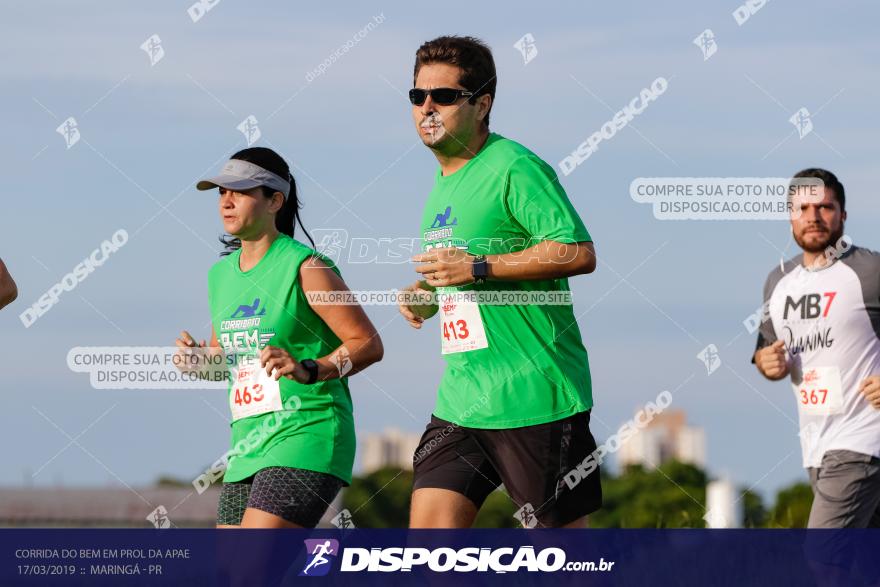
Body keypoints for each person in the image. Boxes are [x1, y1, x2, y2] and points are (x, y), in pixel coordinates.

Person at [398, 36, 602, 529]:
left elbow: (577, 252)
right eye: (417, 96)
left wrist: (478, 267)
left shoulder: (515, 167)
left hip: (534, 395)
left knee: (563, 561)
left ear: (481, 103)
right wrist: (427, 295)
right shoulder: (443, 185)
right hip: (463, 399)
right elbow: (461, 277)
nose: (427, 107)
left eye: (444, 96)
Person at [176, 147, 383, 529]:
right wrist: (199, 362)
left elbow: (367, 344)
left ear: (275, 200)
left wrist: (310, 368)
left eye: (239, 192)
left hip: (307, 433)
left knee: (252, 568)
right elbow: (224, 363)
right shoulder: (218, 277)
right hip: (248, 444)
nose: (226, 201)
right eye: (221, 192)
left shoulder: (307, 267)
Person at [753, 168, 880, 530]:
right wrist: (766, 363)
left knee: (825, 552)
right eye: (803, 208)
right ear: (790, 216)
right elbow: (765, 349)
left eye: (825, 207)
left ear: (842, 214)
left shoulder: (870, 271)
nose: (814, 217)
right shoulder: (777, 282)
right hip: (817, 445)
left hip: (863, 437)